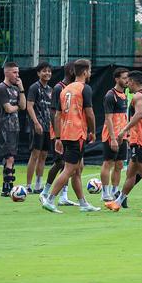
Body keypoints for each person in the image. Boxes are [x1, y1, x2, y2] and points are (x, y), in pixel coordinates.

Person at [41, 59, 99, 213]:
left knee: (77, 170)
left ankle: (83, 204)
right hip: (76, 133)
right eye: (89, 70)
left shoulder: (65, 89)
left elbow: (57, 115)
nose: (90, 73)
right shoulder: (84, 88)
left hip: (66, 133)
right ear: (85, 72)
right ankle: (50, 199)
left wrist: (58, 137)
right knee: (69, 169)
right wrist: (93, 132)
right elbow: (89, 113)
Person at [105, 70, 142, 214]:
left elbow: (139, 114)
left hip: (141, 141)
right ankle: (118, 202)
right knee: (131, 173)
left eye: (128, 81)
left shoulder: (138, 96)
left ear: (133, 82)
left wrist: (124, 130)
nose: (127, 84)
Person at [44, 65, 76, 207]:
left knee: (67, 164)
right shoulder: (58, 88)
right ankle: (45, 192)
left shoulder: (73, 88)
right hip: (58, 132)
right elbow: (53, 112)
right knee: (60, 163)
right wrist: (57, 133)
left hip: (68, 131)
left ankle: (64, 196)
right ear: (71, 71)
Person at [0, 61, 26, 198]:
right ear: (7, 73)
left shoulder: (15, 89)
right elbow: (8, 108)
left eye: (18, 72)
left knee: (11, 157)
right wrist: (17, 107)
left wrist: (21, 88)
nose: (17, 75)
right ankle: (7, 187)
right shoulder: (1, 88)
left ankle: (8, 185)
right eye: (14, 72)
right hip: (4, 127)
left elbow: (23, 106)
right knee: (9, 157)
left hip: (14, 127)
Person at [100, 68, 131, 203]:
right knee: (108, 163)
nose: (127, 80)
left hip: (122, 136)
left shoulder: (124, 95)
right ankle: (105, 193)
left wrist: (127, 135)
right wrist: (112, 138)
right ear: (117, 79)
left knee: (119, 164)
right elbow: (108, 119)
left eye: (128, 78)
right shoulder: (110, 95)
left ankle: (114, 191)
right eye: (124, 78)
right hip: (111, 136)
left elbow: (124, 117)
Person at [24, 62, 55, 195]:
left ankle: (38, 185)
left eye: (49, 71)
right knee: (35, 155)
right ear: (38, 73)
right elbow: (29, 106)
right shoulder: (34, 87)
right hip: (37, 127)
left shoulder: (51, 90)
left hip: (48, 127)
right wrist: (36, 123)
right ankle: (28, 185)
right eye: (44, 71)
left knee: (43, 156)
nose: (47, 73)